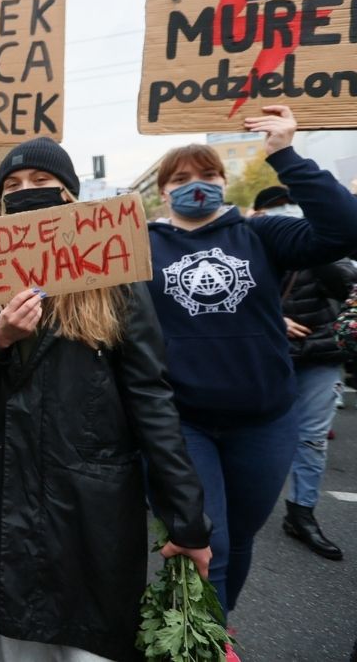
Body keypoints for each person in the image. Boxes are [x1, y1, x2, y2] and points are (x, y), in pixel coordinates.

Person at [0, 137, 212, 661]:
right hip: (9, 504)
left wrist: (187, 517)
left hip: (91, 506)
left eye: (41, 183)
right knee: (21, 646)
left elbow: (150, 396)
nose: (27, 193)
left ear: (70, 194)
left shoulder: (112, 272)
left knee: (93, 647)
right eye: (13, 187)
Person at [147, 106, 357, 625]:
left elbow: (344, 229)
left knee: (238, 536)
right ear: (162, 191)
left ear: (225, 181)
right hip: (184, 421)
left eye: (208, 175)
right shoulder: (139, 245)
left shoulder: (261, 234)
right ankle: (203, 643)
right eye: (181, 178)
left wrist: (284, 153)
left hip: (265, 421)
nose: (197, 185)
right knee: (207, 536)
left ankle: (218, 625)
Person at [251, 185, 354, 561]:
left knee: (312, 439)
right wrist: (273, 320)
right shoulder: (248, 247)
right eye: (276, 209)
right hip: (266, 358)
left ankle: (301, 513)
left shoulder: (321, 250)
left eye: (290, 207)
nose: (285, 214)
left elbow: (348, 282)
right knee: (256, 436)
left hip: (320, 355)